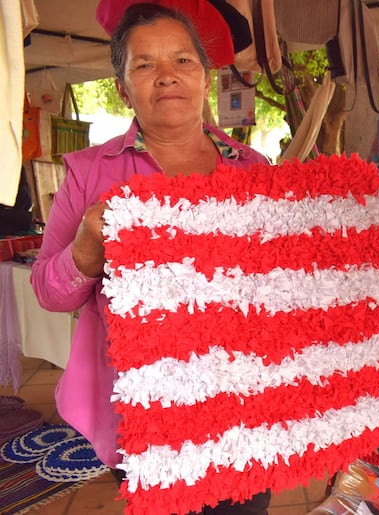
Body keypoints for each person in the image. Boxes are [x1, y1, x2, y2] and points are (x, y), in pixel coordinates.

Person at [30, 4, 270, 514]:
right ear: (122, 87)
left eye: (183, 60)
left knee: (244, 508)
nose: (166, 77)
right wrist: (88, 248)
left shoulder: (253, 169)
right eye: (144, 65)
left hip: (244, 404)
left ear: (205, 77)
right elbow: (48, 292)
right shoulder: (90, 173)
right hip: (140, 408)